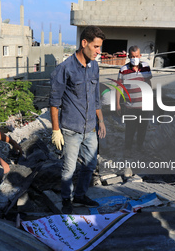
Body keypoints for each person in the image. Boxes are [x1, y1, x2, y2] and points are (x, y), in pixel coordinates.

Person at [49, 26, 106, 214]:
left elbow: (96, 97)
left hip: (90, 128)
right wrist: (56, 130)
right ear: (84, 43)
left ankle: (80, 196)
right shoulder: (64, 69)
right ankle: (67, 200)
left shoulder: (95, 66)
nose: (99, 51)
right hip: (71, 129)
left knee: (90, 166)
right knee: (69, 168)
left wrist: (101, 121)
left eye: (99, 47)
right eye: (96, 46)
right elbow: (54, 103)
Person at [116, 45, 152, 156]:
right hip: (130, 106)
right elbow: (119, 87)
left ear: (140, 56)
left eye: (136, 56)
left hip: (144, 106)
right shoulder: (123, 70)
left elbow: (148, 83)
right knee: (130, 129)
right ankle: (128, 149)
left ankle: (140, 147)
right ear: (128, 56)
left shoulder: (146, 67)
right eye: (132, 56)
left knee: (142, 128)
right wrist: (117, 104)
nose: (134, 58)